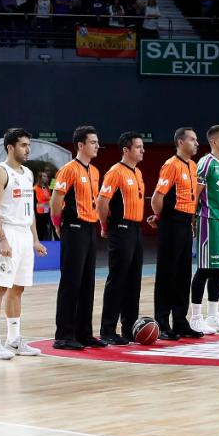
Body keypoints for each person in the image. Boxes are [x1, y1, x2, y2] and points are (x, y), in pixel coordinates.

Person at [0, 128, 47, 359]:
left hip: (23, 235)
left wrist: (35, 240)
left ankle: (14, 340)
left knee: (18, 289)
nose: (28, 149)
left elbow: (30, 211)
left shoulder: (28, 173)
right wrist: (2, 239)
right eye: (23, 145)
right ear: (10, 147)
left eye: (28, 145)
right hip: (7, 233)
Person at [51, 125, 103, 350]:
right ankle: (63, 335)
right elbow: (56, 201)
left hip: (90, 228)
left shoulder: (94, 171)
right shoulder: (68, 169)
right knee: (71, 282)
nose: (97, 145)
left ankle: (84, 333)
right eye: (93, 142)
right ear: (81, 144)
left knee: (87, 283)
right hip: (73, 226)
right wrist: (58, 225)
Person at [149, 126, 202, 340]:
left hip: (185, 223)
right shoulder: (170, 165)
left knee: (183, 275)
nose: (197, 143)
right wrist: (161, 218)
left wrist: (190, 220)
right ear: (181, 142)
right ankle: (162, 323)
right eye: (193, 139)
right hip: (172, 223)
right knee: (167, 274)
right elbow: (157, 198)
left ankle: (180, 321)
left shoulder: (192, 165)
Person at [98, 132, 146, 345]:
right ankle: (108, 330)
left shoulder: (138, 172)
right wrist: (105, 225)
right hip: (121, 227)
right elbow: (102, 202)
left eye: (142, 147)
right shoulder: (115, 172)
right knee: (117, 280)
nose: (142, 150)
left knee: (134, 281)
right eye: (138, 147)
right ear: (126, 150)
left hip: (136, 229)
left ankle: (129, 328)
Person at [190, 126, 219, 334]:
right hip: (209, 221)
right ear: (214, 142)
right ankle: (196, 317)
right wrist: (192, 221)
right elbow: (195, 194)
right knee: (205, 269)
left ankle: (214, 315)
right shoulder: (205, 163)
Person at [33, 169, 51, 240]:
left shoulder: (46, 188)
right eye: (44, 176)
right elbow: (37, 202)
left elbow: (48, 199)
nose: (46, 178)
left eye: (46, 176)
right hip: (38, 213)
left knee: (44, 230)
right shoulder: (35, 188)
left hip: (46, 211)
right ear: (40, 178)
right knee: (39, 230)